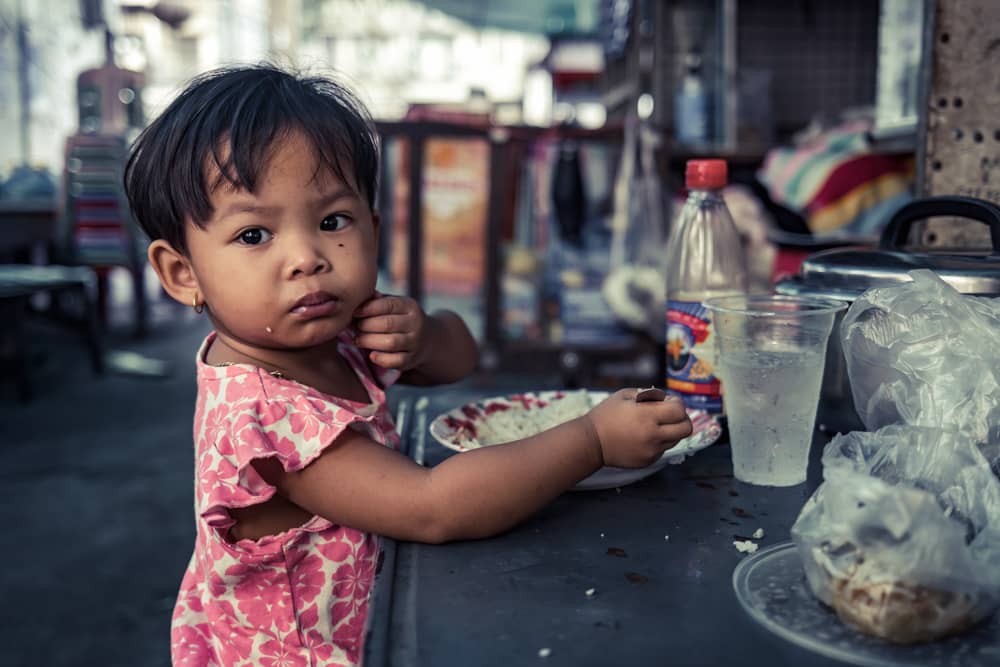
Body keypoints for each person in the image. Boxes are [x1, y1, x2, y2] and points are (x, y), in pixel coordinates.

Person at [124, 63, 693, 667]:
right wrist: (592, 439)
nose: (307, 258)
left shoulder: (321, 332)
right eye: (254, 235)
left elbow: (459, 357)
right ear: (183, 274)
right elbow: (432, 507)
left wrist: (421, 339)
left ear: (373, 227)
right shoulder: (262, 413)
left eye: (331, 222)